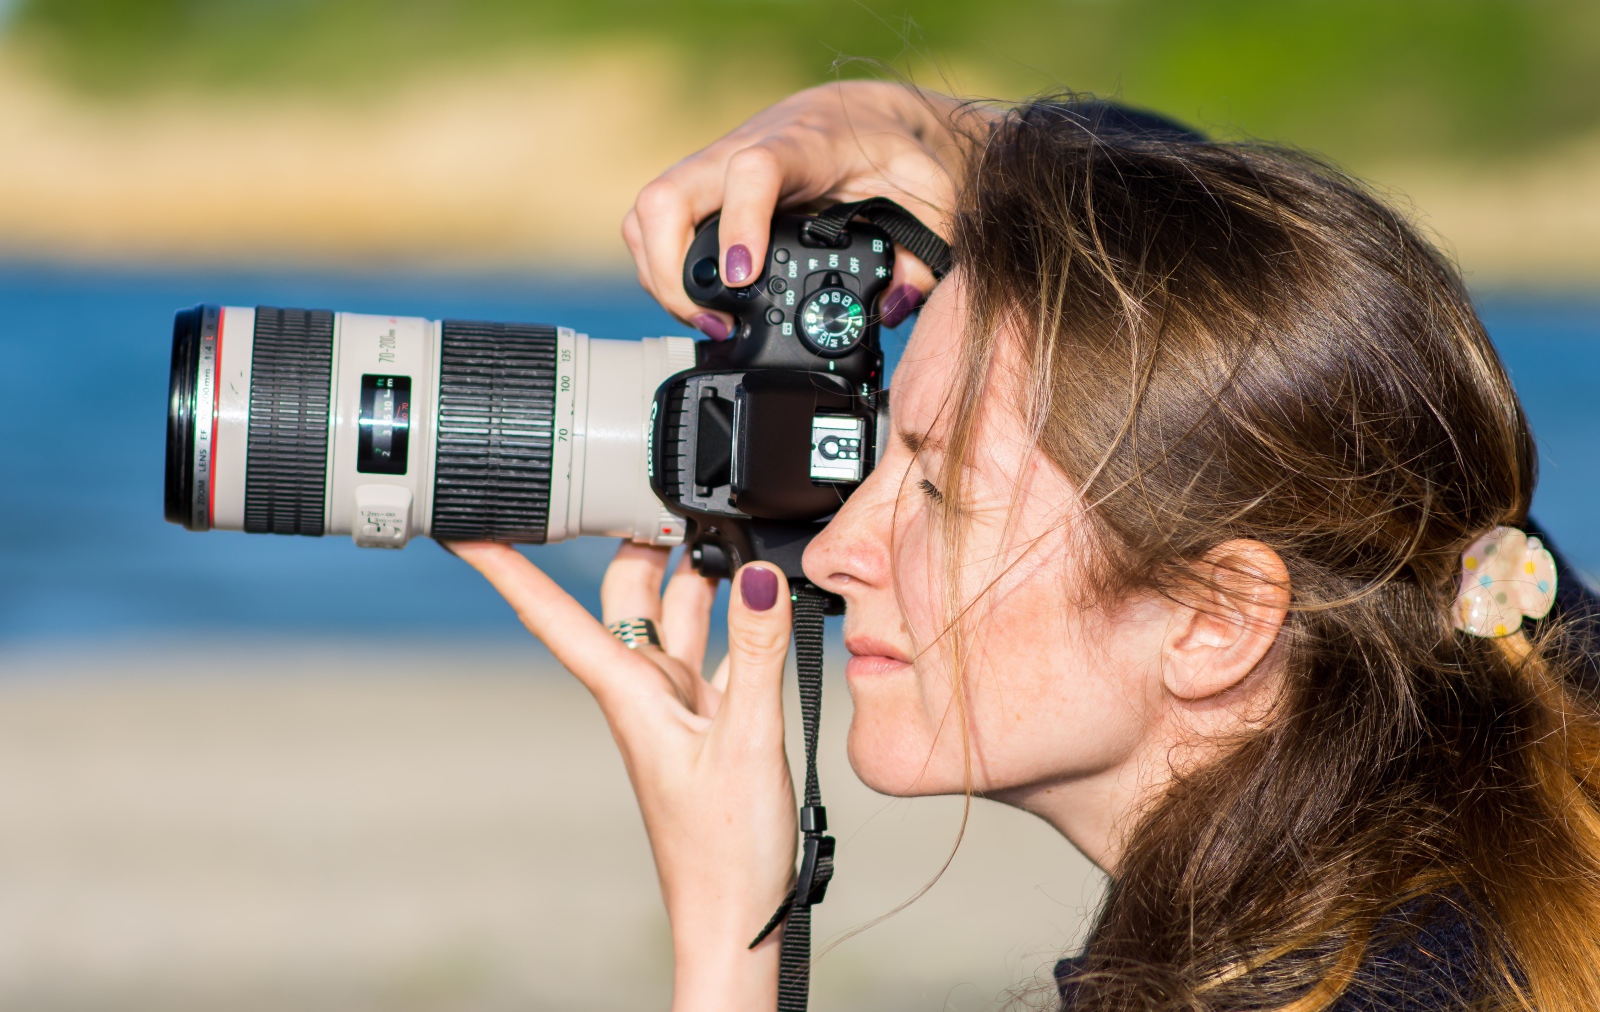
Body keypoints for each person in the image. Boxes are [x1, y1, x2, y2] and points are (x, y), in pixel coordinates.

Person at [449, 81, 1600, 1011]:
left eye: (940, 490)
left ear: (1216, 618)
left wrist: (726, 935)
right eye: (884, 456)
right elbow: (1326, 353)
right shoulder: (1506, 646)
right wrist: (932, 141)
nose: (837, 554)